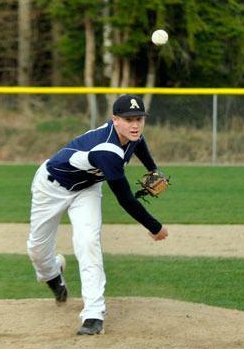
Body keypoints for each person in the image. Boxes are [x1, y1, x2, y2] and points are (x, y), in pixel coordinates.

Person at [27, 94, 168, 336]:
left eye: (139, 119)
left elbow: (139, 143)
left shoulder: (131, 134)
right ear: (115, 120)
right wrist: (154, 227)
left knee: (88, 242)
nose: (135, 125)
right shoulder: (108, 150)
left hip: (87, 189)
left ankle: (93, 314)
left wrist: (152, 168)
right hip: (51, 187)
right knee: (37, 250)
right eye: (128, 119)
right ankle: (52, 273)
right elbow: (125, 199)